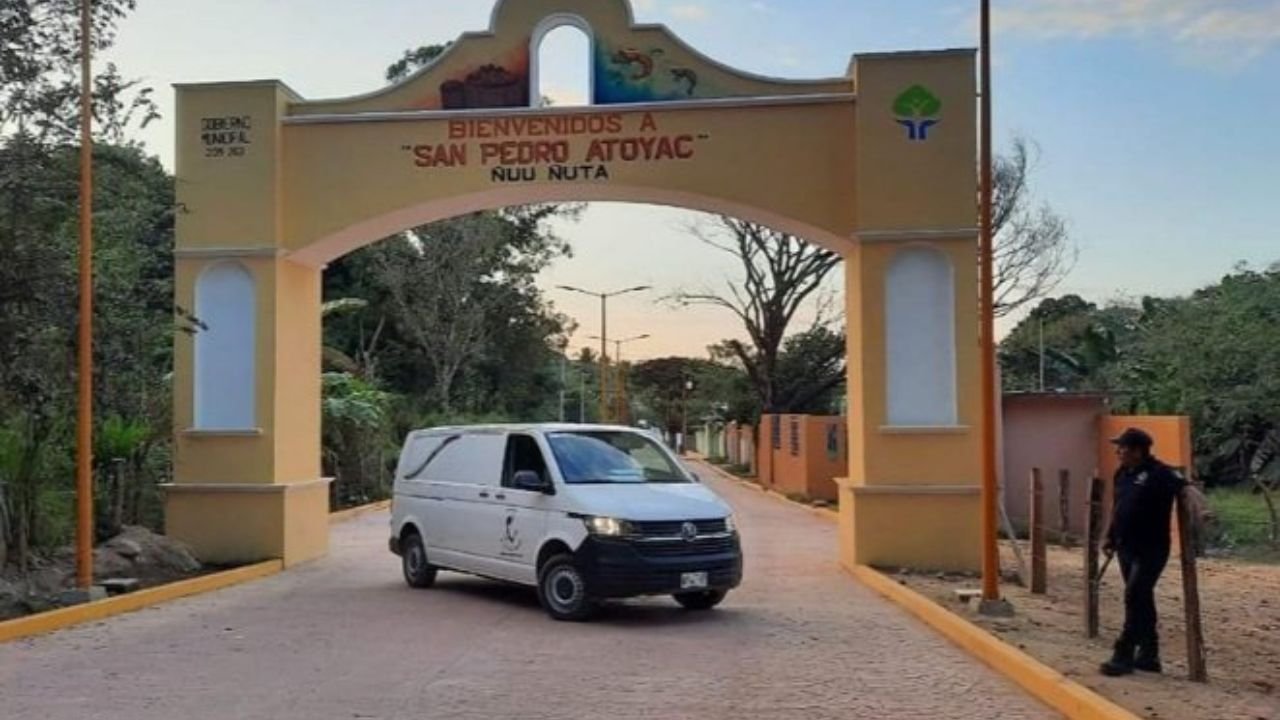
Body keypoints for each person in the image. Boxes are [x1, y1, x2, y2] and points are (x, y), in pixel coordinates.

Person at [1099, 428, 1187, 677]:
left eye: (1123, 448)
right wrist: (1110, 535)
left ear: (1138, 451)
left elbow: (1183, 484)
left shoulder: (1160, 474)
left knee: (1134, 596)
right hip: (1125, 547)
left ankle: (1123, 654)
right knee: (1141, 599)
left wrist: (1196, 501)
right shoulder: (1121, 474)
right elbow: (1118, 507)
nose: (1118, 452)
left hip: (1151, 548)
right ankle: (1149, 655)